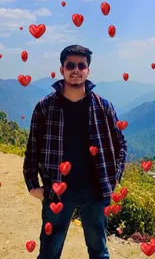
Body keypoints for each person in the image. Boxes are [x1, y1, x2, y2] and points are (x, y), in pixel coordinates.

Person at [23, 44, 127, 259]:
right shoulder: (45, 107)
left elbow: (121, 145)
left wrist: (114, 178)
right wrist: (33, 185)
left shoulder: (103, 107)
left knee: (99, 250)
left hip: (96, 190)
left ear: (88, 70)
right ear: (62, 69)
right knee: (49, 250)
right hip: (57, 191)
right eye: (70, 65)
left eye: (82, 65)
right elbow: (32, 148)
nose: (76, 70)